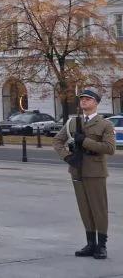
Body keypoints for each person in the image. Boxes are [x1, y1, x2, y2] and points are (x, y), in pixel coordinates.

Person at [54, 89, 116, 260]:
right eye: (82, 99)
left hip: (95, 172)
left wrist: (85, 141)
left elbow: (110, 149)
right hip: (77, 169)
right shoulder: (72, 123)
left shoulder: (105, 124)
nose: (84, 102)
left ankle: (101, 245)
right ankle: (90, 244)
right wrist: (67, 157)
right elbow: (57, 141)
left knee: (99, 209)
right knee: (84, 209)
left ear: (96, 102)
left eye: (88, 99)